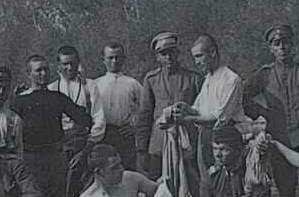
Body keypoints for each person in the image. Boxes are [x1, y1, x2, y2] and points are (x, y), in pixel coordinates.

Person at [12, 55, 94, 197]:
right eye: (38, 70)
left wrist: (71, 137)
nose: (43, 74)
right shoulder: (19, 101)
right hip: (29, 162)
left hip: (55, 160)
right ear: (28, 73)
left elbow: (85, 119)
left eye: (46, 70)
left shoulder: (57, 98)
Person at [243, 24, 299, 197]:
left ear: (293, 45)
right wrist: (259, 112)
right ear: (270, 48)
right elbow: (243, 95)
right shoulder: (264, 75)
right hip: (280, 141)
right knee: (286, 194)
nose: (282, 47)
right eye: (276, 43)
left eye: (286, 42)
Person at [51, 45, 107, 197]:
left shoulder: (90, 86)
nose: (69, 68)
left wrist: (88, 147)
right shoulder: (52, 89)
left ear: (78, 63)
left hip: (85, 146)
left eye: (73, 63)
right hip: (60, 149)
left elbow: (99, 118)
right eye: (65, 64)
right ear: (58, 66)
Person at [177, 34, 251, 172]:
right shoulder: (208, 79)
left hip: (227, 140)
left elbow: (219, 118)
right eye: (194, 58)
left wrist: (187, 119)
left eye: (199, 56)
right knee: (207, 179)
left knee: (227, 180)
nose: (196, 62)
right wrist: (185, 108)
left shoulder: (231, 79)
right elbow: (198, 110)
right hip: (206, 138)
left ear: (212, 52)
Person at [136, 32, 203, 180]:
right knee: (157, 187)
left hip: (187, 144)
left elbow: (202, 111)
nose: (168, 57)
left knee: (191, 185)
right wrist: (142, 149)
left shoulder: (193, 78)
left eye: (172, 52)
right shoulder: (151, 79)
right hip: (159, 145)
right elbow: (145, 115)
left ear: (178, 53)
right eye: (163, 53)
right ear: (157, 57)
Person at [94, 43, 143, 169]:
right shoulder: (96, 84)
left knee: (126, 169)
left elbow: (146, 107)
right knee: (104, 169)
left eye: (117, 57)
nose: (114, 61)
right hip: (103, 134)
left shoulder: (133, 84)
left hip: (124, 134)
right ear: (103, 60)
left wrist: (135, 126)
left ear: (124, 59)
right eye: (110, 58)